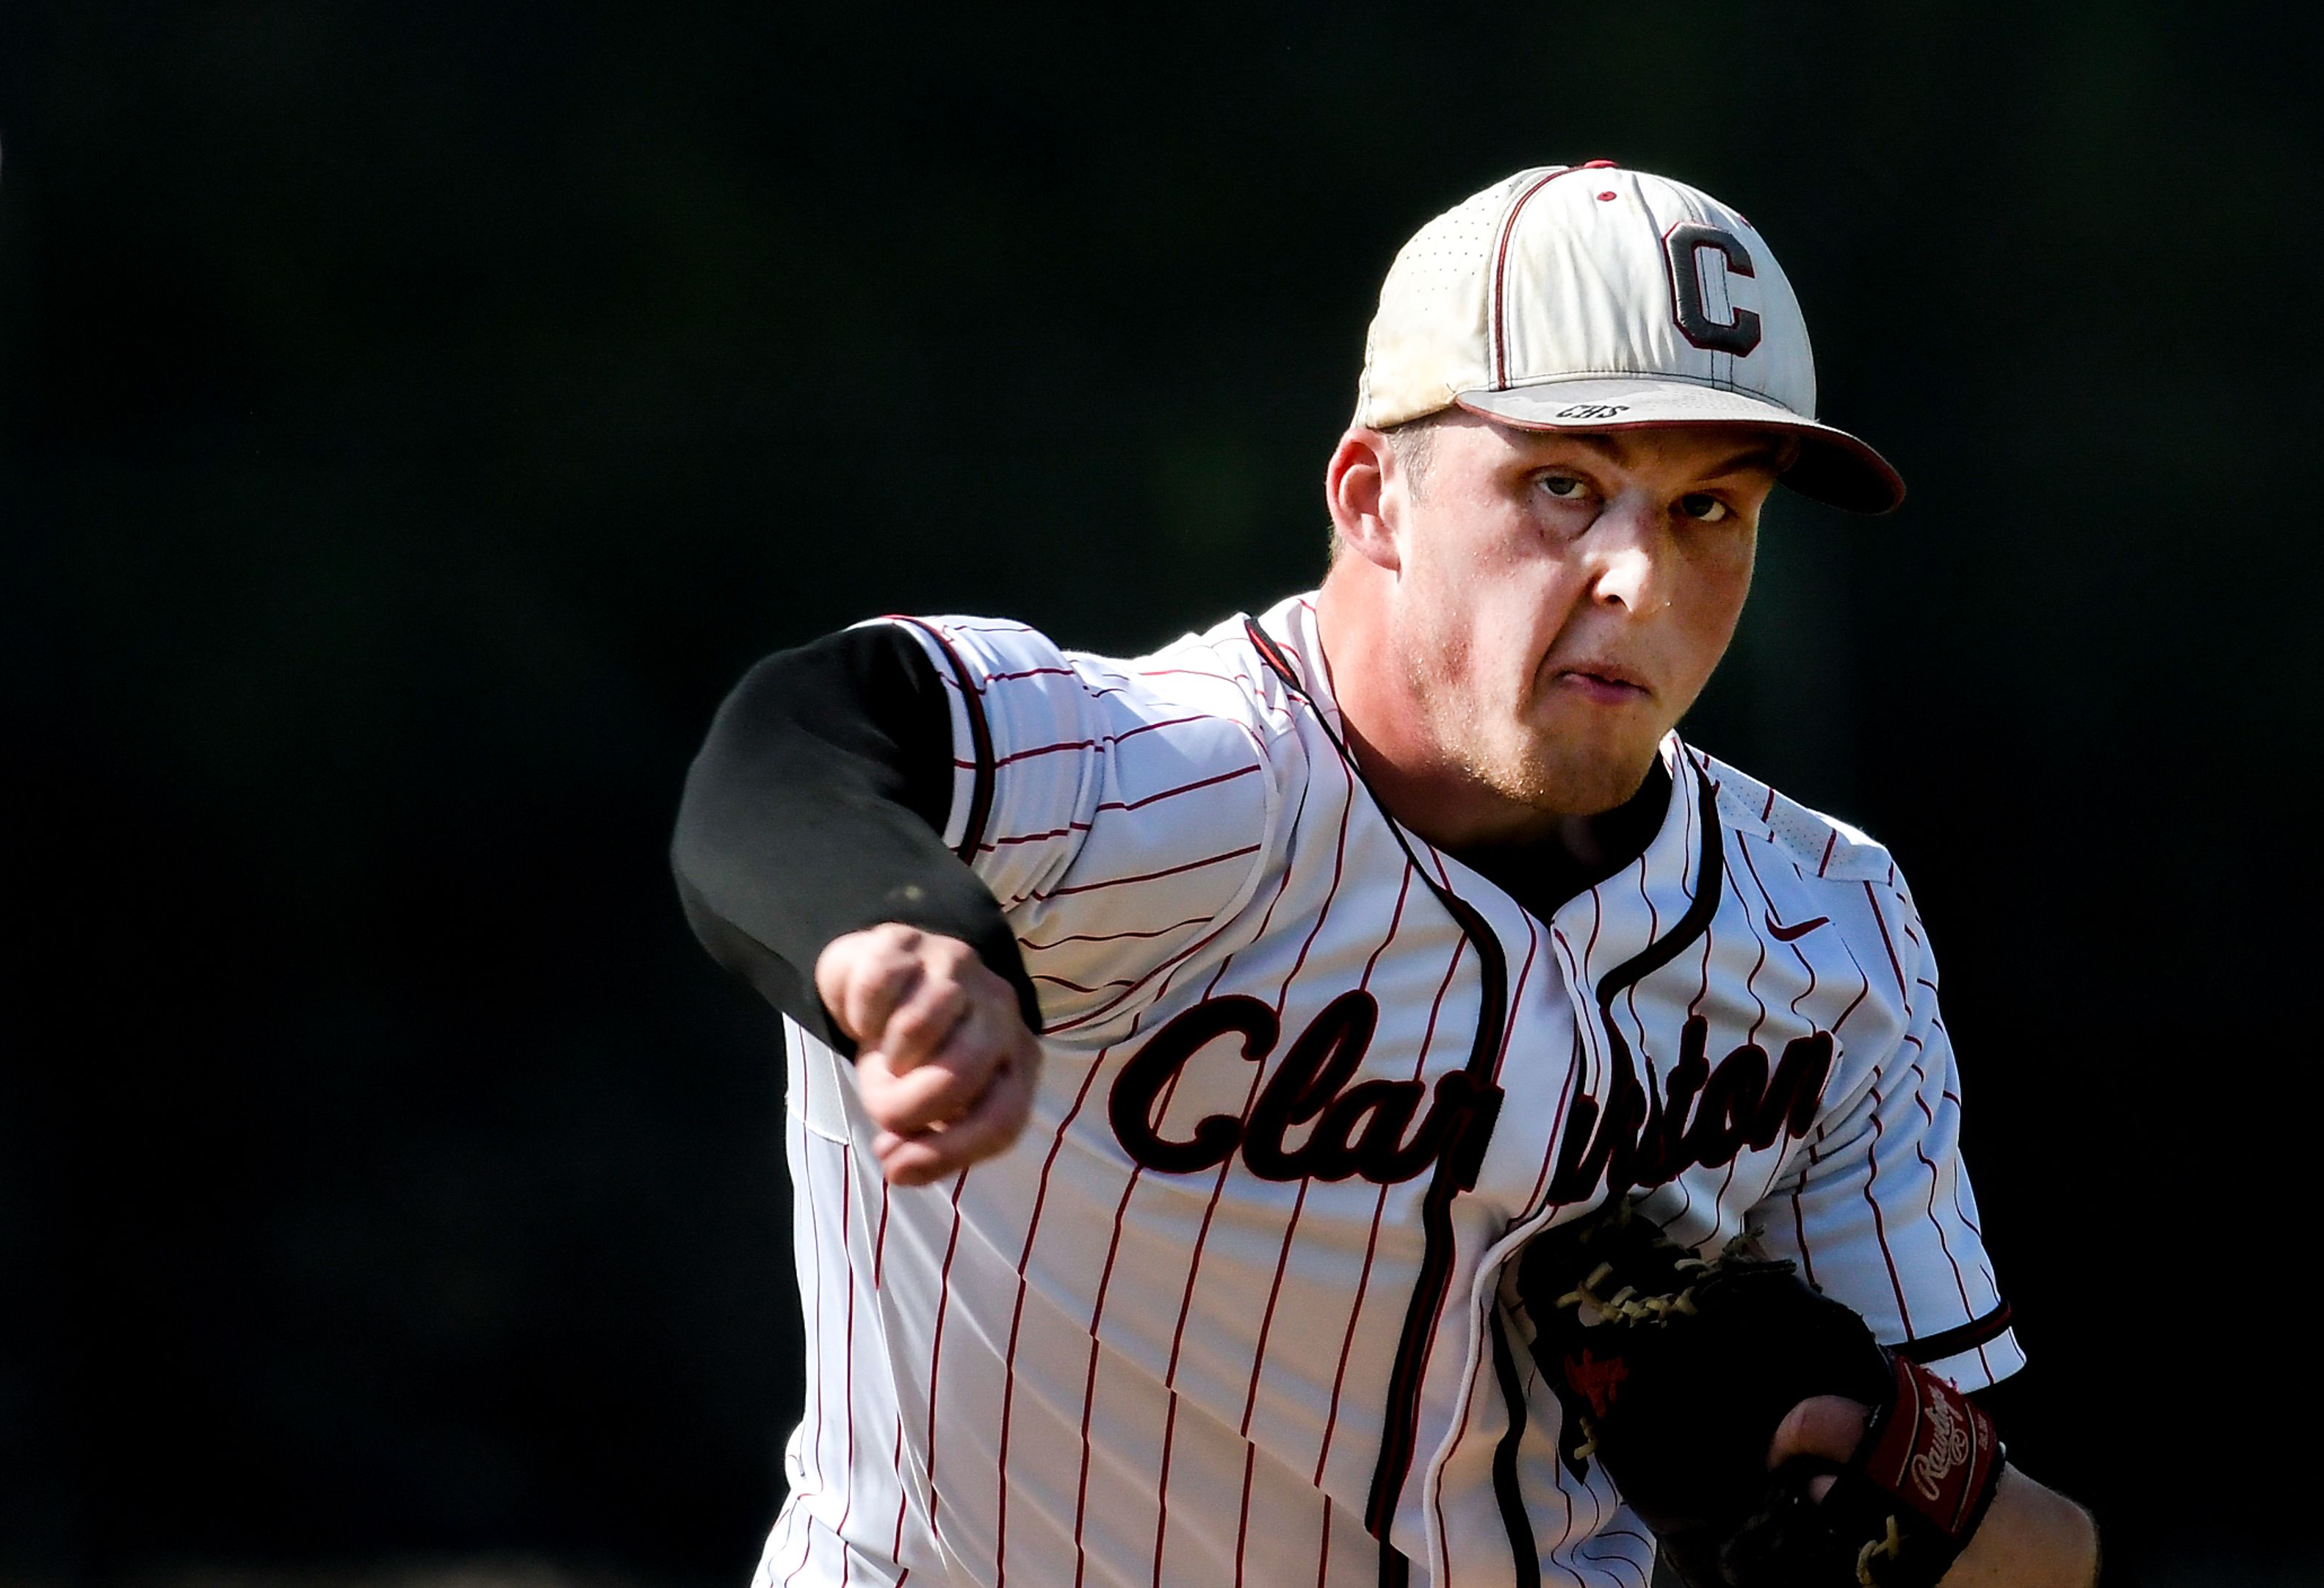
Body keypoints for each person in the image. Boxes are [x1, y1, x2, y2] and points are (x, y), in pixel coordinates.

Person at [670, 165, 2097, 1588]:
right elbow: (798, 739)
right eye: (1563, 484)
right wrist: (896, 944)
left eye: (1709, 509)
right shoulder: (1172, 784)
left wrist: (1884, 1477)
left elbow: (2028, 1547)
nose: (1641, 581)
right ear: (1374, 498)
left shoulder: (1827, 925)